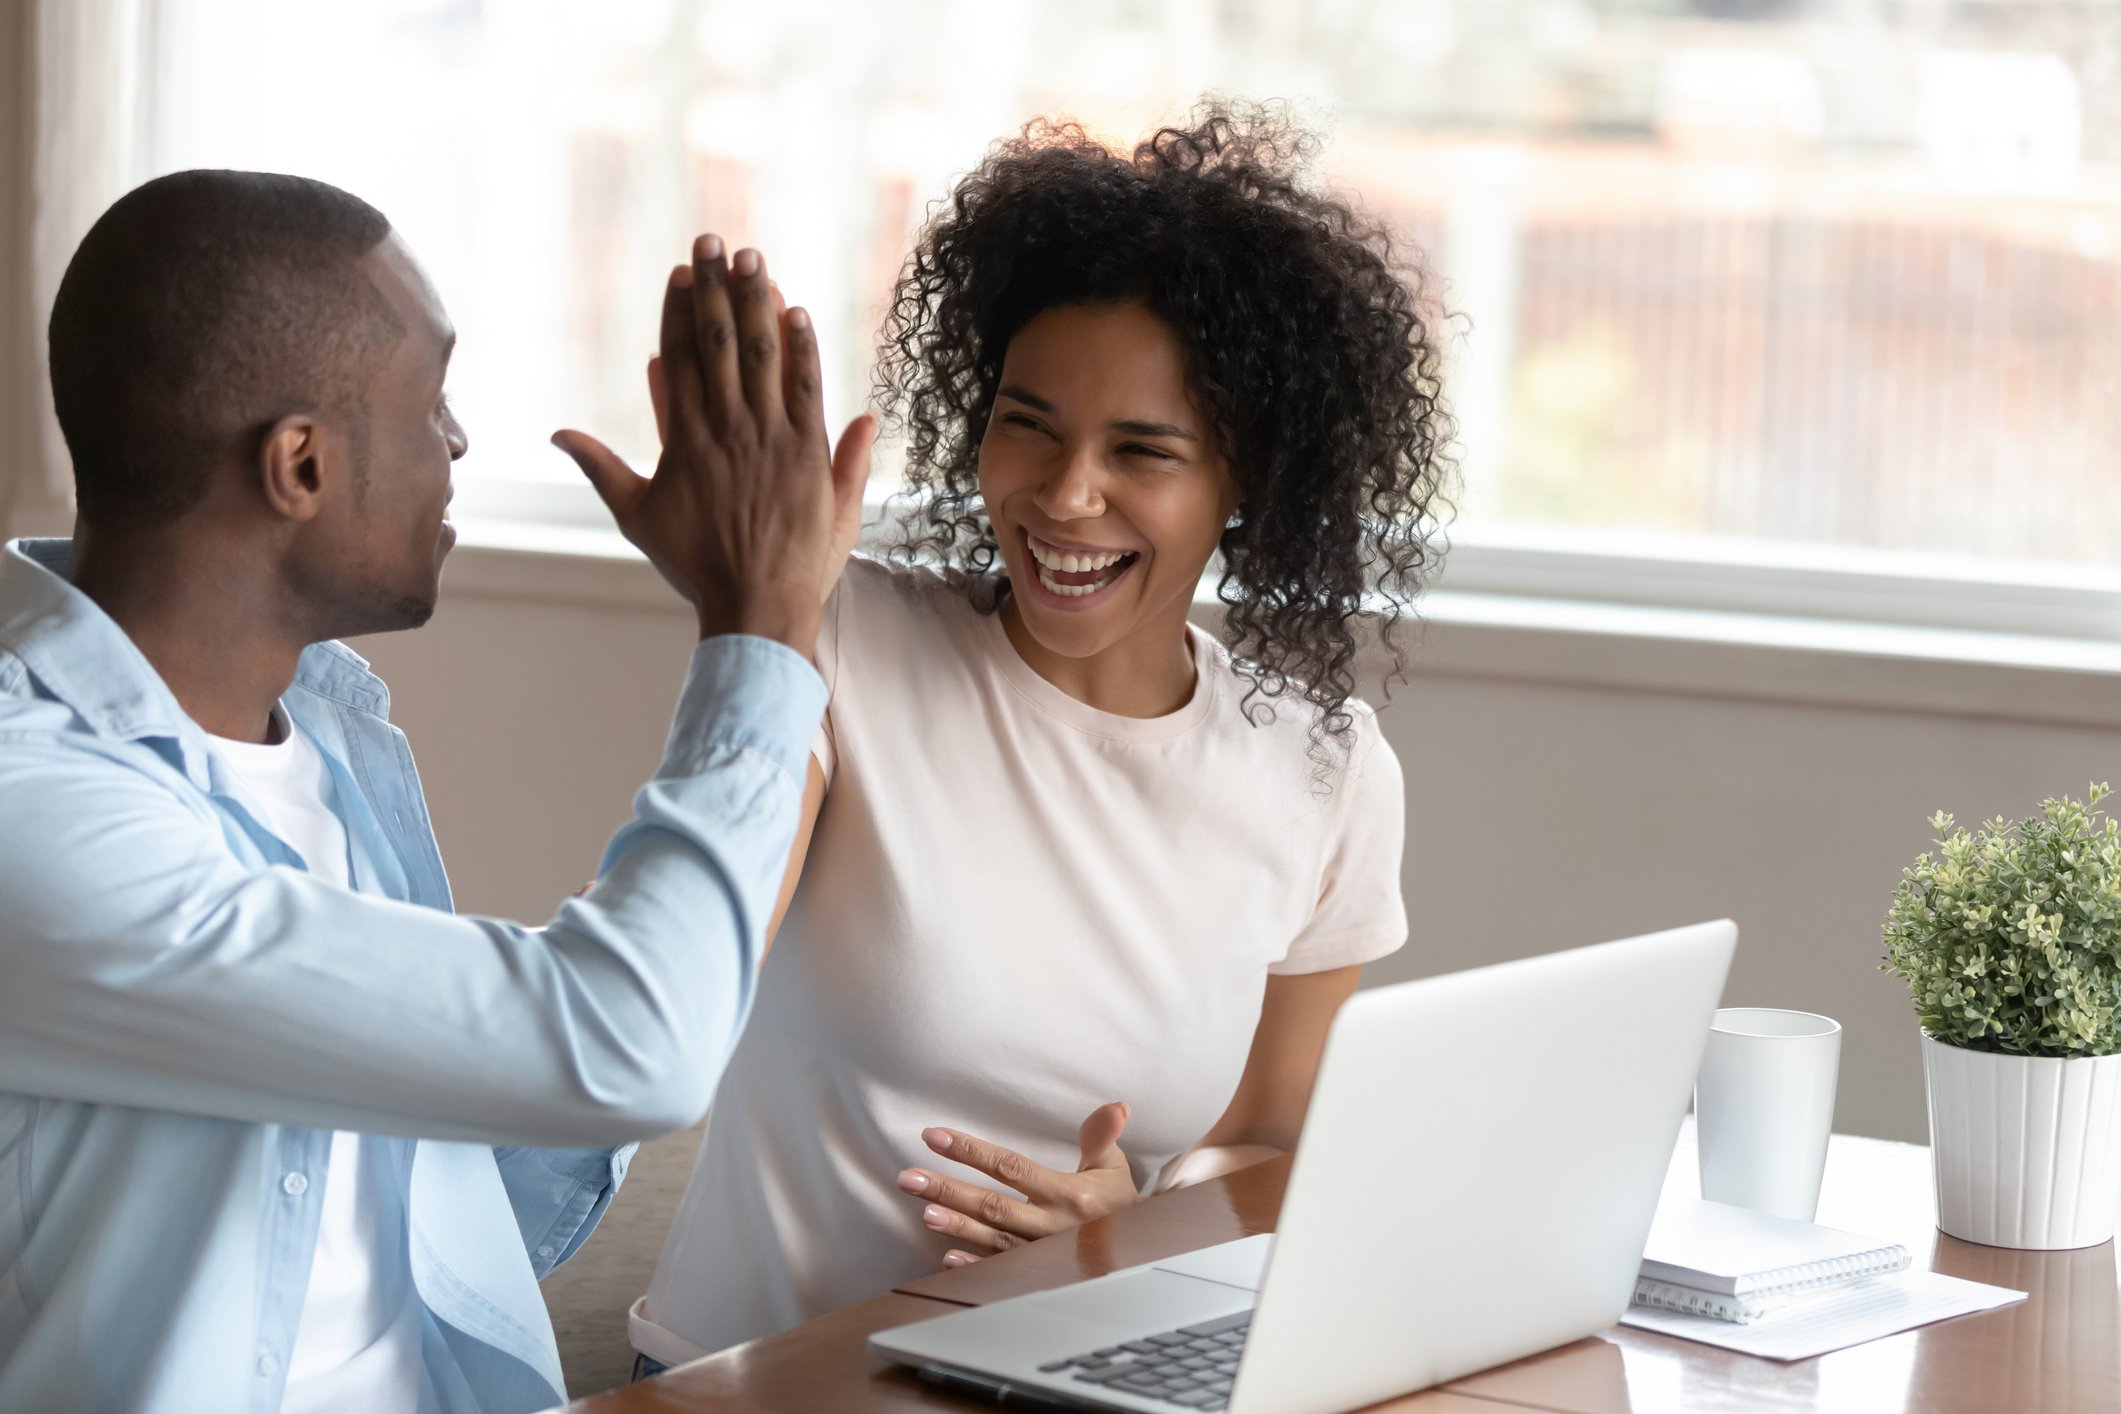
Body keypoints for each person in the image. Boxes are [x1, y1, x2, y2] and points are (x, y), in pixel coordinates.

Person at [0, 169, 871, 1413]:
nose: (457, 443)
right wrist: (760, 628)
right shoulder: (34, 818)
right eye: (431, 400)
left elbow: (468, 1199)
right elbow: (626, 1053)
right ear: (299, 464)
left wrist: (655, 951)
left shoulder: (331, 743)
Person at [632, 104, 1452, 1365]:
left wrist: (1134, 1223)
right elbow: (683, 975)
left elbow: (1273, 1141)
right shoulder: (840, 643)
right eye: (1029, 423)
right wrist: (753, 611)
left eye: (1144, 450)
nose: (1067, 496)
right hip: (755, 1383)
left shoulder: (1325, 772)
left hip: (1071, 1371)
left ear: (1249, 483)